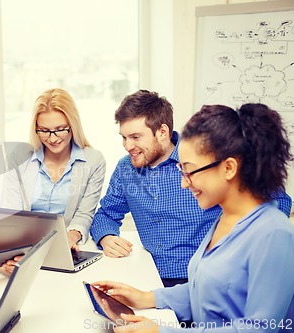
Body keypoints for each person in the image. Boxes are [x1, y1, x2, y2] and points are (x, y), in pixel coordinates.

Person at [93, 103, 294, 332]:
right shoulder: (224, 218)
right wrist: (145, 298)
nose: (183, 182)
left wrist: (162, 331)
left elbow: (259, 328)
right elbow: (205, 289)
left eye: (189, 171)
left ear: (228, 168)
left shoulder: (273, 233)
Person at [1, 88, 106, 251]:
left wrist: (71, 237)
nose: (52, 138)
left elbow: (84, 214)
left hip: (66, 247)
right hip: (25, 246)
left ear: (73, 125)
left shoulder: (93, 161)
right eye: (44, 130)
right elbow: (11, 212)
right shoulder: (18, 158)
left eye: (60, 129)